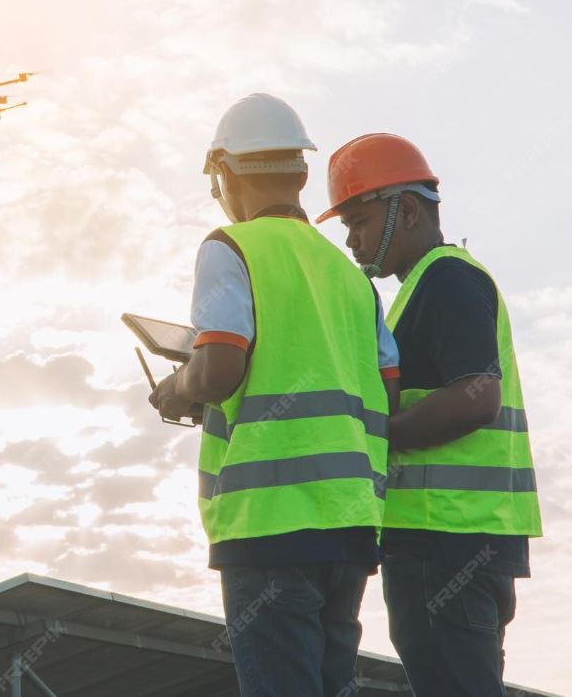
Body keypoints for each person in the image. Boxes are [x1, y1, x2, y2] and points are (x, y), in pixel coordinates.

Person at [149, 94, 398, 697]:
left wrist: (178, 388)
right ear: (302, 174)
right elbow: (386, 392)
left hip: (267, 526)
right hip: (351, 527)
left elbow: (219, 370)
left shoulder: (230, 247)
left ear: (224, 173)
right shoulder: (352, 279)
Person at [316, 133, 542, 697]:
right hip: (460, 539)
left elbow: (477, 397)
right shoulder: (426, 287)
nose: (351, 239)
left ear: (409, 211)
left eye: (359, 221)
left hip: (444, 540)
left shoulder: (447, 278)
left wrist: (374, 438)